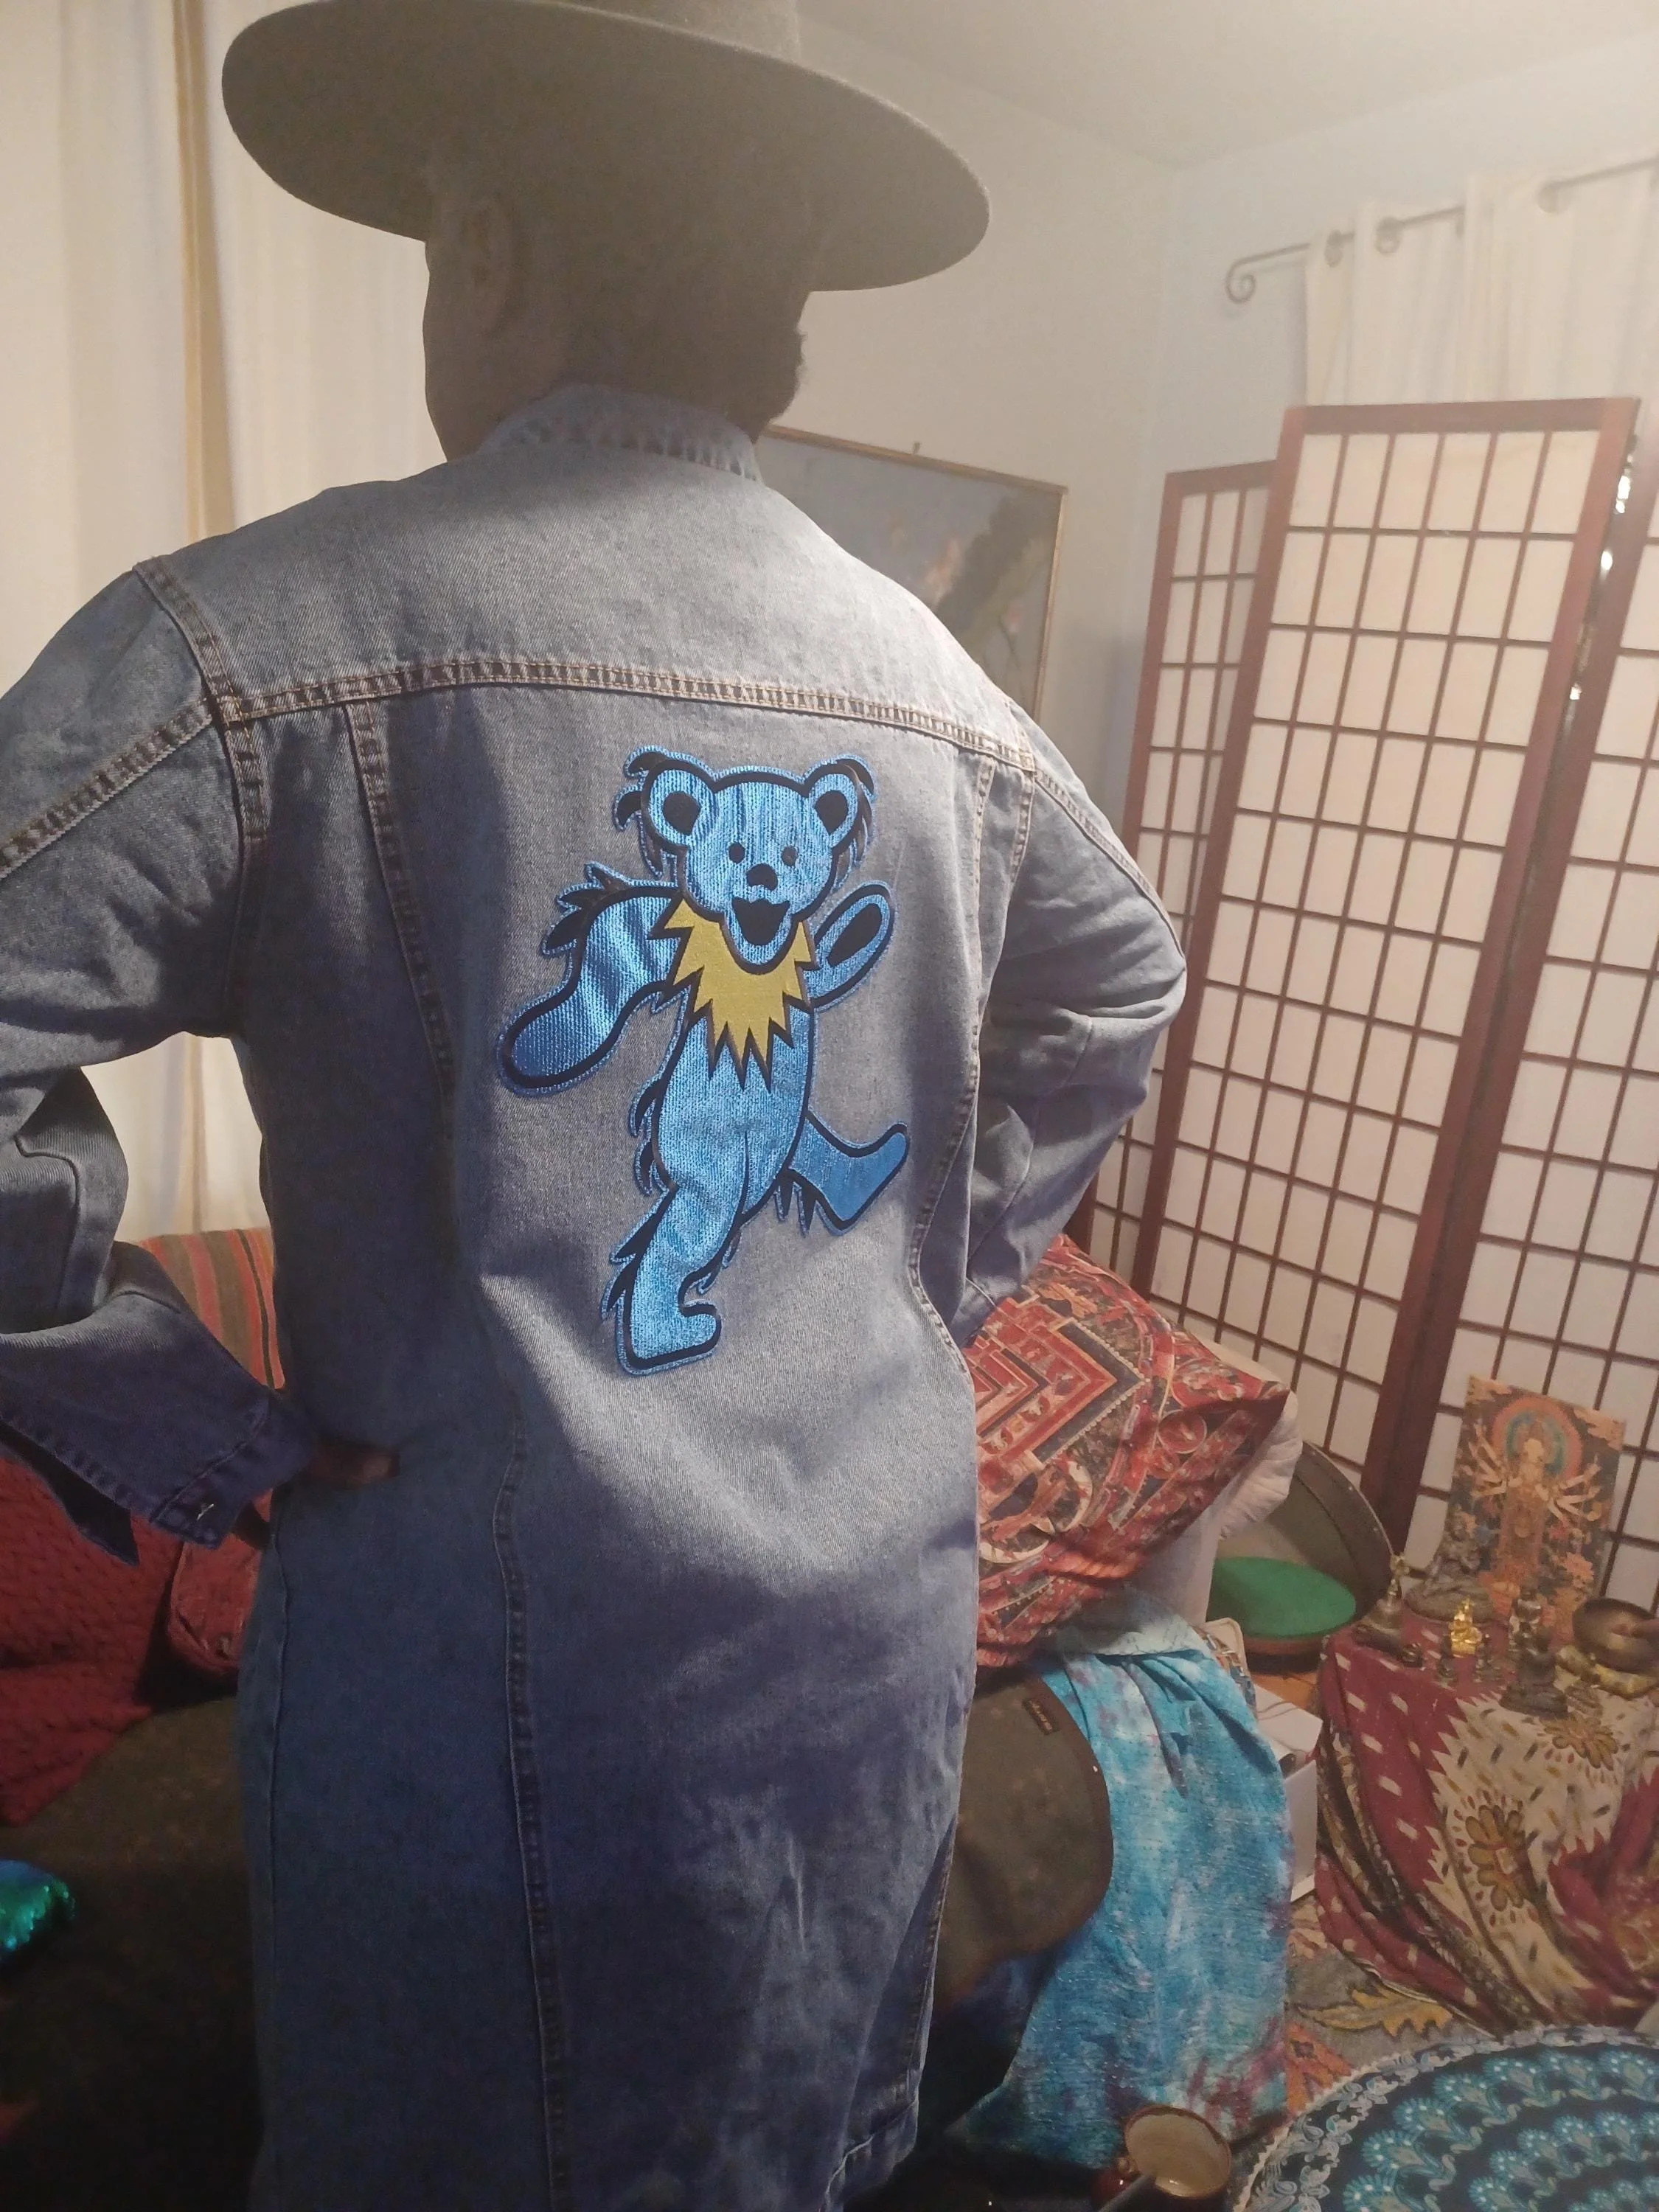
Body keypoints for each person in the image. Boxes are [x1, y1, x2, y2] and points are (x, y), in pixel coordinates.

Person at [0, 3, 1185, 2205]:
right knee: (779, 2153)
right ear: (786, 312)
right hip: (867, 1654)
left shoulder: (265, 638)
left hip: (482, 1676)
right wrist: (929, 1279)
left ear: (482, 243)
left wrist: (176, 1414)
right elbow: (1123, 979)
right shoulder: (941, 688)